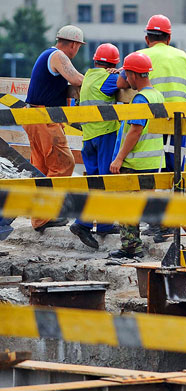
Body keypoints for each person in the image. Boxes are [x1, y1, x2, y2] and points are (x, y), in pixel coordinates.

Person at [117, 14, 186, 243]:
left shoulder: (141, 57)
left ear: (146, 38)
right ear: (169, 37)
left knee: (151, 171)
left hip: (151, 122)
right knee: (175, 173)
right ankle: (169, 222)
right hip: (178, 122)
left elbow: (122, 83)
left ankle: (155, 222)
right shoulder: (181, 55)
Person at [24, 25, 85, 232]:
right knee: (64, 163)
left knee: (41, 167)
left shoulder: (47, 54)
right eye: (78, 47)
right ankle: (44, 216)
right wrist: (98, 80)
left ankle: (38, 216)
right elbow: (76, 79)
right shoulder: (58, 56)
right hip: (43, 117)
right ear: (74, 45)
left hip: (34, 116)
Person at [109, 52, 165, 259]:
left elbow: (135, 130)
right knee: (146, 200)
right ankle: (163, 225)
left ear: (133, 74)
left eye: (127, 74)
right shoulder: (157, 95)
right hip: (151, 160)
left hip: (136, 160)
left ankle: (131, 247)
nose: (126, 78)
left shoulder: (141, 99)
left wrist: (119, 158)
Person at [70, 43, 121, 249]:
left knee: (94, 180)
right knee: (105, 181)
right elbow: (130, 80)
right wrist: (121, 71)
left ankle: (105, 224)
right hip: (105, 135)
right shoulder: (107, 79)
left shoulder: (89, 76)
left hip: (88, 137)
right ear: (112, 63)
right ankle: (82, 223)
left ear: (96, 60)